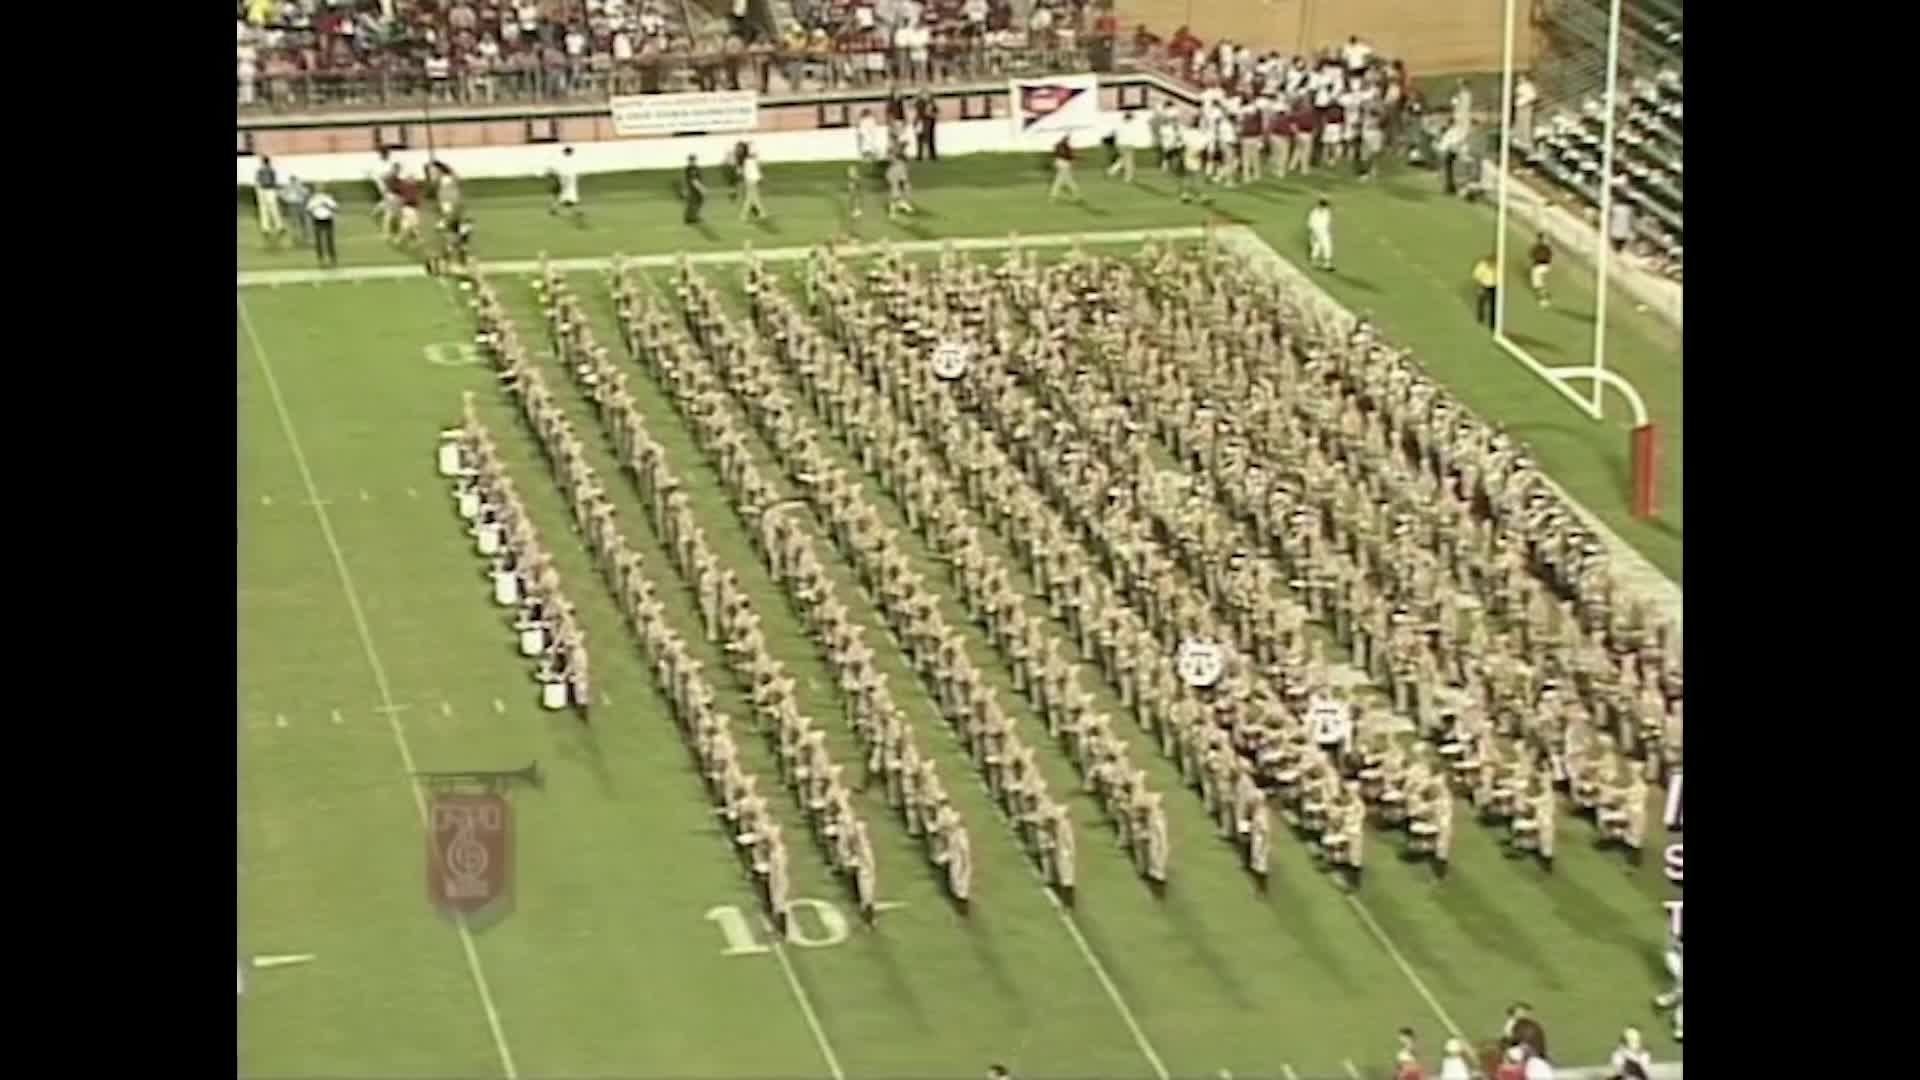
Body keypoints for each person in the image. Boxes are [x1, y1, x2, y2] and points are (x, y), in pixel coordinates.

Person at [306, 184, 339, 267]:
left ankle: (332, 259)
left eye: (321, 188)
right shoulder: (313, 199)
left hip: (327, 219)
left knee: (329, 240)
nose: (319, 190)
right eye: (318, 188)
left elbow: (336, 208)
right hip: (317, 220)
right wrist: (315, 209)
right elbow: (308, 209)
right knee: (319, 241)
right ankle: (321, 260)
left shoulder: (328, 198)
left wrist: (327, 205)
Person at [253, 156, 284, 243]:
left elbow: (257, 181)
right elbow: (274, 181)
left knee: (263, 210)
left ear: (262, 162)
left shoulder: (259, 171)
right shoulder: (271, 170)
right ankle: (279, 226)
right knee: (274, 209)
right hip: (270, 190)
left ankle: (265, 228)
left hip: (262, 190)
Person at [550, 146, 584, 223]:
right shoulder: (570, 160)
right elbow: (574, 170)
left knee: (564, 194)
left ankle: (554, 209)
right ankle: (576, 210)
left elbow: (556, 169)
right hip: (569, 178)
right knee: (569, 194)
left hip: (564, 178)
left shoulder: (562, 160)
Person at [278, 174, 310, 246]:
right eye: (292, 180)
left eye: (294, 180)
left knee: (301, 220)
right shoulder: (288, 187)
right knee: (294, 221)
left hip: (299, 204)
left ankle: (304, 236)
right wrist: (286, 199)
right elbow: (281, 194)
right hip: (293, 205)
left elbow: (306, 192)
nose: (293, 181)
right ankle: (295, 237)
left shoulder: (298, 186)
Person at [1107, 111, 1139, 183]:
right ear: (1129, 118)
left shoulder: (1119, 124)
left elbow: (1113, 133)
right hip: (1127, 145)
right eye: (1131, 118)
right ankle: (1127, 177)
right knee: (1129, 161)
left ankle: (1111, 171)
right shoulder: (1130, 125)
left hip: (1120, 145)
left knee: (1123, 160)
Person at [1048, 135, 1080, 202]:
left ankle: (1053, 197)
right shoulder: (1065, 146)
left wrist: (1073, 157)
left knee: (1059, 180)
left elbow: (1056, 153)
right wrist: (1075, 157)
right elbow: (1068, 155)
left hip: (1058, 163)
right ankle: (1077, 195)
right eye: (1068, 139)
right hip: (1064, 164)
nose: (1069, 141)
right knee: (1068, 180)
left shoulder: (1057, 145)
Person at [739, 145, 767, 222]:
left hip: (749, 181)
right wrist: (760, 179)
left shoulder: (746, 161)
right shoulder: (752, 161)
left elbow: (744, 172)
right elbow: (755, 172)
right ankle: (745, 215)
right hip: (752, 181)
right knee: (752, 198)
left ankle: (761, 213)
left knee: (752, 198)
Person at [1306, 199, 1334, 271]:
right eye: (1323, 206)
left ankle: (1319, 262)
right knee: (1324, 246)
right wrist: (1313, 233)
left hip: (1323, 231)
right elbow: (1310, 223)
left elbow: (1327, 222)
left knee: (1320, 245)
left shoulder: (1327, 212)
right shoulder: (1314, 213)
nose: (1324, 207)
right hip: (1316, 231)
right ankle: (1326, 264)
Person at [885, 151, 915, 219]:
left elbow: (903, 175)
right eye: (888, 157)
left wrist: (905, 183)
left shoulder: (900, 165)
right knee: (896, 198)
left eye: (890, 157)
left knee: (893, 199)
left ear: (895, 157)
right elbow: (889, 174)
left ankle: (892, 213)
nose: (889, 158)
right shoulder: (893, 165)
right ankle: (907, 208)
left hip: (897, 183)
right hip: (894, 183)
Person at [1513, 73, 1538, 148]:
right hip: (1520, 106)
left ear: (1525, 78)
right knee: (1519, 122)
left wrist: (1525, 102)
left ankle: (1526, 141)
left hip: (1526, 106)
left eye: (1521, 77)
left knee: (1525, 123)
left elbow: (1533, 96)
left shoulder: (1528, 86)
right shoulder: (1519, 86)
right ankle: (1519, 138)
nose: (1519, 79)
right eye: (1518, 78)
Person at [1528, 233, 1553, 306]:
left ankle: (1544, 299)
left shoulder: (1538, 247)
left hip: (1539, 267)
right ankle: (1544, 296)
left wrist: (1535, 257)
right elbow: (1550, 255)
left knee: (1537, 283)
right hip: (1547, 266)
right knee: (1539, 281)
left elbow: (1532, 255)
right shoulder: (1547, 247)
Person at [1473, 253, 1498, 327]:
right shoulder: (1482, 265)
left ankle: (1493, 323)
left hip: (1494, 287)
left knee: (1494, 305)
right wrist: (1479, 284)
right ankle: (1480, 317)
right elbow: (1476, 275)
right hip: (1483, 285)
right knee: (1481, 302)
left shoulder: (1498, 266)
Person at [683, 154, 708, 225]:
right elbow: (694, 180)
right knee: (694, 203)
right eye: (692, 160)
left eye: (693, 160)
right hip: (694, 189)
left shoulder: (691, 168)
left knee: (697, 203)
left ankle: (693, 217)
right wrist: (701, 188)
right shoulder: (691, 169)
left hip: (694, 189)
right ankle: (691, 218)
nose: (693, 161)